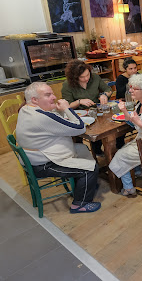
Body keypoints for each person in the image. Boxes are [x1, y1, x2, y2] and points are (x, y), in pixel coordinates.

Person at [16, 82, 101, 213]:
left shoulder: (26, 109)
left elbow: (53, 121)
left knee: (82, 148)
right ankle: (79, 204)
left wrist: (57, 109)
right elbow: (80, 127)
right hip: (44, 164)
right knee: (91, 168)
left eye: (52, 94)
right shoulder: (41, 117)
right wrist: (67, 108)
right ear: (34, 99)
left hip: (35, 158)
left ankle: (84, 185)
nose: (54, 97)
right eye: (48, 95)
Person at [109, 74, 142, 197]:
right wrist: (125, 111)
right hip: (141, 140)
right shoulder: (139, 105)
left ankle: (128, 188)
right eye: (131, 87)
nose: (131, 90)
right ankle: (139, 170)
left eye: (135, 88)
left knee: (119, 156)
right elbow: (132, 122)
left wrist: (139, 123)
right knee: (122, 151)